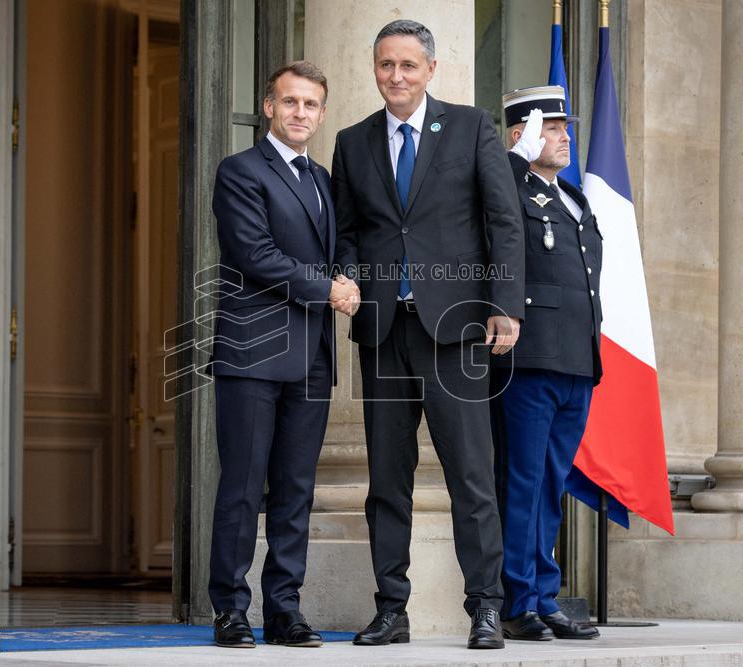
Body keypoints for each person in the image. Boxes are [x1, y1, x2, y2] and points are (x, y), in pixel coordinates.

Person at [331, 19, 525, 650]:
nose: (396, 76)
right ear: (375, 68)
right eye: (386, 65)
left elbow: (504, 220)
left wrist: (504, 305)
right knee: (387, 479)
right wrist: (351, 279)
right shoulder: (353, 142)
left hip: (458, 332)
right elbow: (350, 232)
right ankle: (392, 608)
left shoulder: (470, 128)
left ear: (431, 70)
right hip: (384, 331)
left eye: (408, 65)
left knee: (472, 474)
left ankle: (486, 608)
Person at [207, 60, 358, 649]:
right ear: (269, 107)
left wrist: (344, 276)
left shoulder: (321, 180)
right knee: (244, 487)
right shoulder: (241, 171)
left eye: (311, 105)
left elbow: (340, 245)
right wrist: (328, 288)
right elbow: (254, 252)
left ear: (321, 113)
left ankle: (284, 609)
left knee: (296, 488)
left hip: (312, 355)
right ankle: (229, 610)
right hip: (252, 353)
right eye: (290, 102)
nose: (300, 113)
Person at [492, 86, 602, 641]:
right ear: (523, 134)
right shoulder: (513, 187)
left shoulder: (574, 198)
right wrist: (513, 161)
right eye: (551, 128)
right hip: (531, 361)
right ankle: (517, 600)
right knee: (524, 481)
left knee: (551, 484)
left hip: (576, 361)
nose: (564, 137)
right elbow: (491, 214)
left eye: (564, 127)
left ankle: (544, 592)